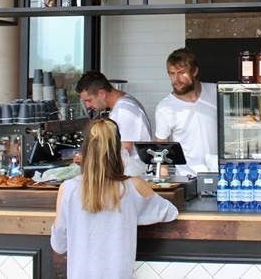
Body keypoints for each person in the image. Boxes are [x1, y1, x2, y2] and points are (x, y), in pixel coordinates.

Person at [51, 118, 177, 279]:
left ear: (85, 150)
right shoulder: (134, 186)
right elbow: (169, 212)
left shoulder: (68, 189)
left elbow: (59, 245)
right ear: (118, 149)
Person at [154, 48, 218, 170]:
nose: (176, 80)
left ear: (194, 71)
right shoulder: (165, 108)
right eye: (172, 74)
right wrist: (165, 186)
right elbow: (161, 151)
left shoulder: (216, 92)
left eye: (181, 73)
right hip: (187, 180)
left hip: (223, 176)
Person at [75, 71, 152, 155]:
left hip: (132, 167)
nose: (87, 106)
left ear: (101, 94)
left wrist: (90, 160)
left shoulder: (124, 110)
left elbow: (125, 151)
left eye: (89, 100)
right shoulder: (123, 104)